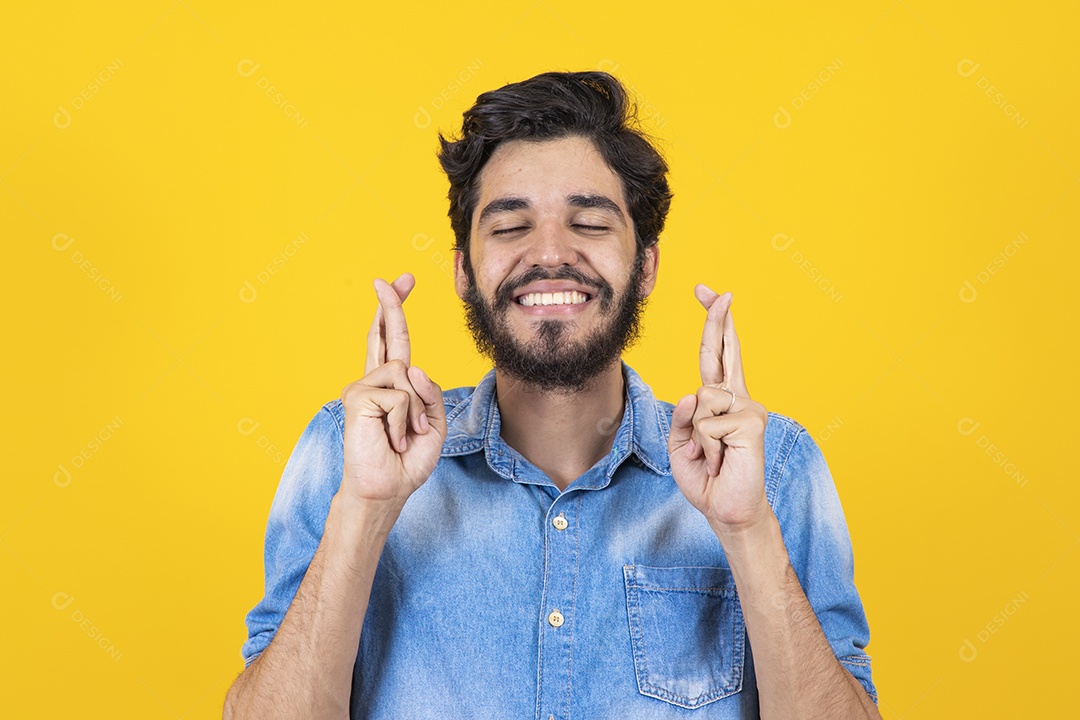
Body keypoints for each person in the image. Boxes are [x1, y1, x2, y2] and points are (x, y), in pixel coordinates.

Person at [223, 71, 879, 719]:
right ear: (463, 270)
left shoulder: (774, 468)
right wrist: (364, 509)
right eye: (510, 226)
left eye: (589, 222)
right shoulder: (349, 453)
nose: (550, 253)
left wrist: (747, 531)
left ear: (645, 265)